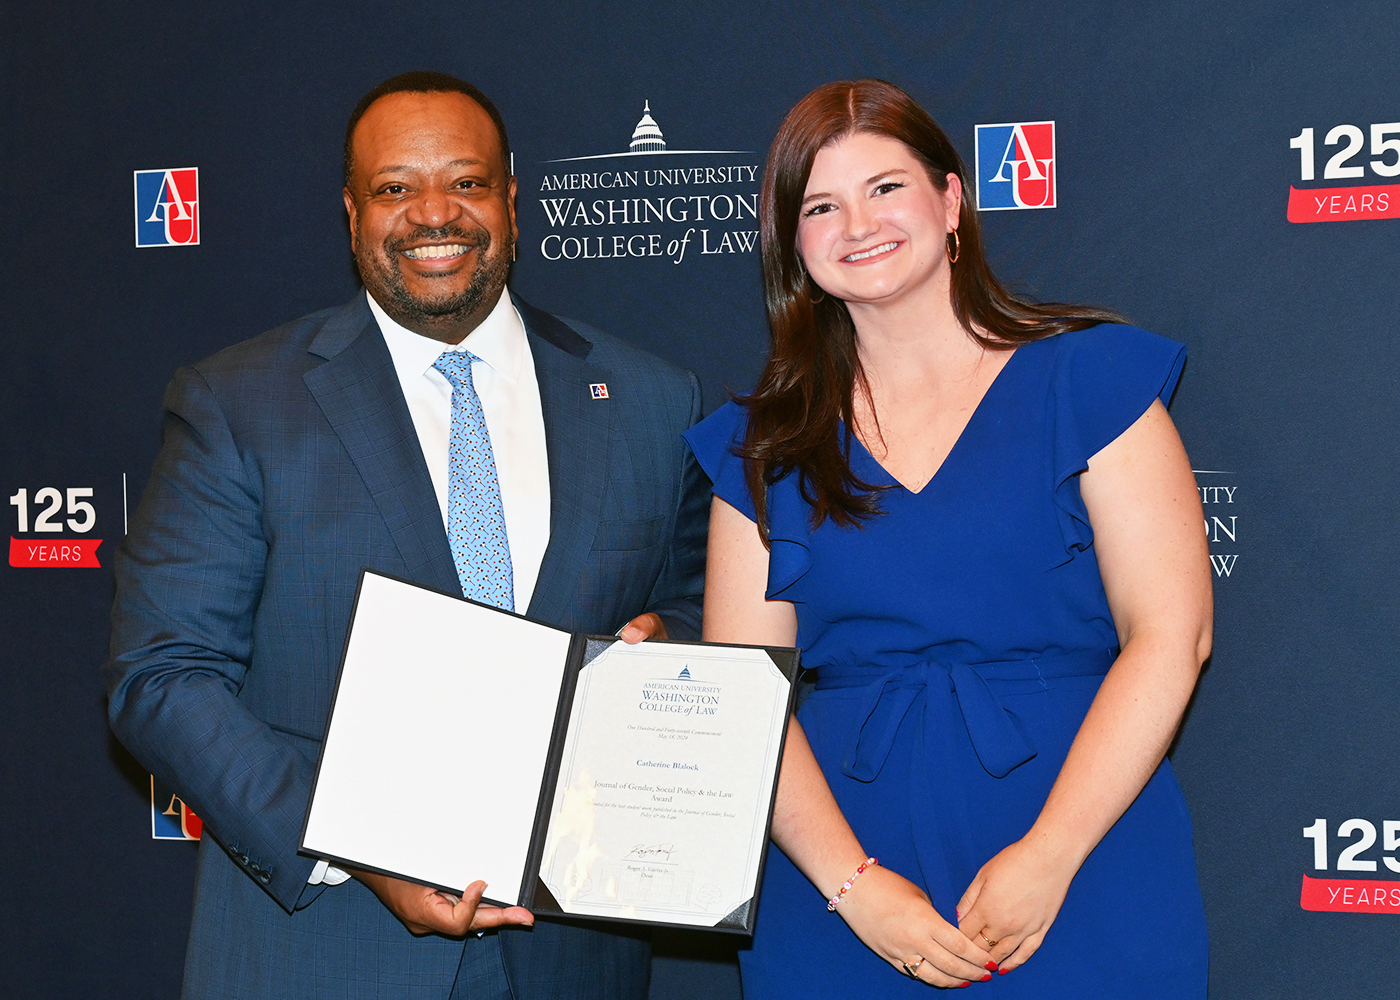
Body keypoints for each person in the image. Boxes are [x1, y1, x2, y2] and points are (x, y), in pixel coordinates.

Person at [104, 72, 707, 1000]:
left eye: (466, 182)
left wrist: (668, 651)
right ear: (352, 213)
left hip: (576, 956)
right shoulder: (239, 402)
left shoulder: (649, 398)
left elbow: (697, 607)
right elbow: (163, 673)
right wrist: (355, 844)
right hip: (327, 952)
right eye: (395, 188)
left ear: (513, 196)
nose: (435, 213)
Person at [685, 79, 1210, 998]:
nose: (858, 223)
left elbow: (1174, 637)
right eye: (821, 205)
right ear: (794, 247)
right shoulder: (762, 444)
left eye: (885, 187)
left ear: (952, 201)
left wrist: (1049, 857)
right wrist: (855, 891)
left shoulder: (1090, 382)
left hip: (1084, 854)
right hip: (838, 879)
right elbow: (741, 699)